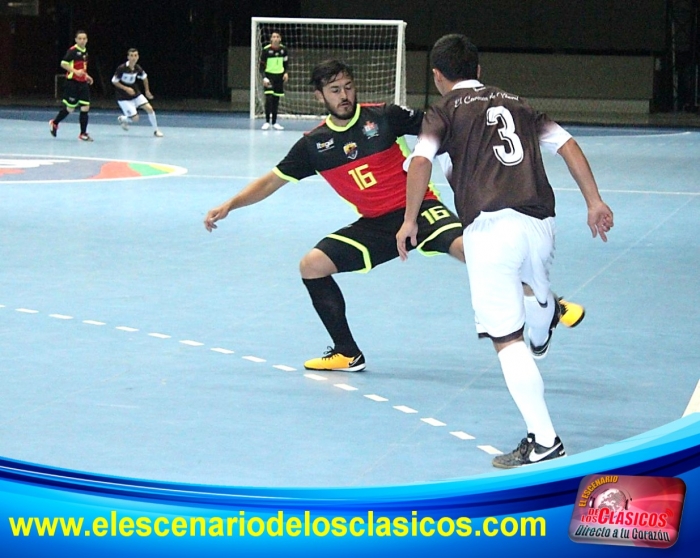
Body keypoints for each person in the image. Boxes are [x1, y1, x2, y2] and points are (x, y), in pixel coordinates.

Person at [204, 59, 584, 374]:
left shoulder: (384, 117)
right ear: (319, 96)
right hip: (376, 224)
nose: (344, 95)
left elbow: (446, 128)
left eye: (348, 87)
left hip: (420, 209)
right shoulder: (313, 146)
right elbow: (272, 181)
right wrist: (229, 205)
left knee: (472, 251)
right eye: (335, 90)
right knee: (312, 265)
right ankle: (346, 352)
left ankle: (550, 303)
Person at [396, 34, 613, 469]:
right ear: (478, 71)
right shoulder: (518, 102)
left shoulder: (441, 112)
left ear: (438, 75)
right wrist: (594, 201)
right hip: (540, 223)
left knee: (505, 340)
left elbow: (420, 161)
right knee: (532, 292)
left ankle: (545, 439)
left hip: (490, 228)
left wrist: (408, 219)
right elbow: (568, 144)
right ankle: (544, 320)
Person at [49, 30, 94, 142]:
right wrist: (75, 71)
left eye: (84, 39)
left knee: (85, 107)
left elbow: (82, 67)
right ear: (76, 40)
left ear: (87, 40)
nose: (82, 41)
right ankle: (54, 123)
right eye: (80, 39)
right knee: (70, 108)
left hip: (82, 83)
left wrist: (86, 75)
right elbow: (63, 63)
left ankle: (83, 133)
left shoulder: (85, 52)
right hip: (72, 83)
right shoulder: (72, 51)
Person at [112, 48, 164, 137]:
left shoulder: (137, 68)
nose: (133, 58)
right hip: (123, 97)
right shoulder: (122, 68)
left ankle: (156, 130)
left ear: (138, 57)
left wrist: (147, 91)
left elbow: (144, 78)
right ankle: (123, 118)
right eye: (131, 56)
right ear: (128, 57)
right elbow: (114, 81)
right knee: (135, 119)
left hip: (135, 94)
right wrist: (126, 88)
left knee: (150, 109)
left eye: (135, 55)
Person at [259, 31, 288, 130]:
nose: (275, 38)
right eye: (273, 37)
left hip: (279, 78)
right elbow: (261, 67)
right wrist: (264, 77)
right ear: (271, 39)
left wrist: (285, 73)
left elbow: (286, 63)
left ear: (280, 39)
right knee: (269, 99)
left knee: (276, 100)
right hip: (269, 77)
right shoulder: (266, 50)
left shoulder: (284, 50)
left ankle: (275, 122)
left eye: (277, 37)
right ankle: (267, 121)